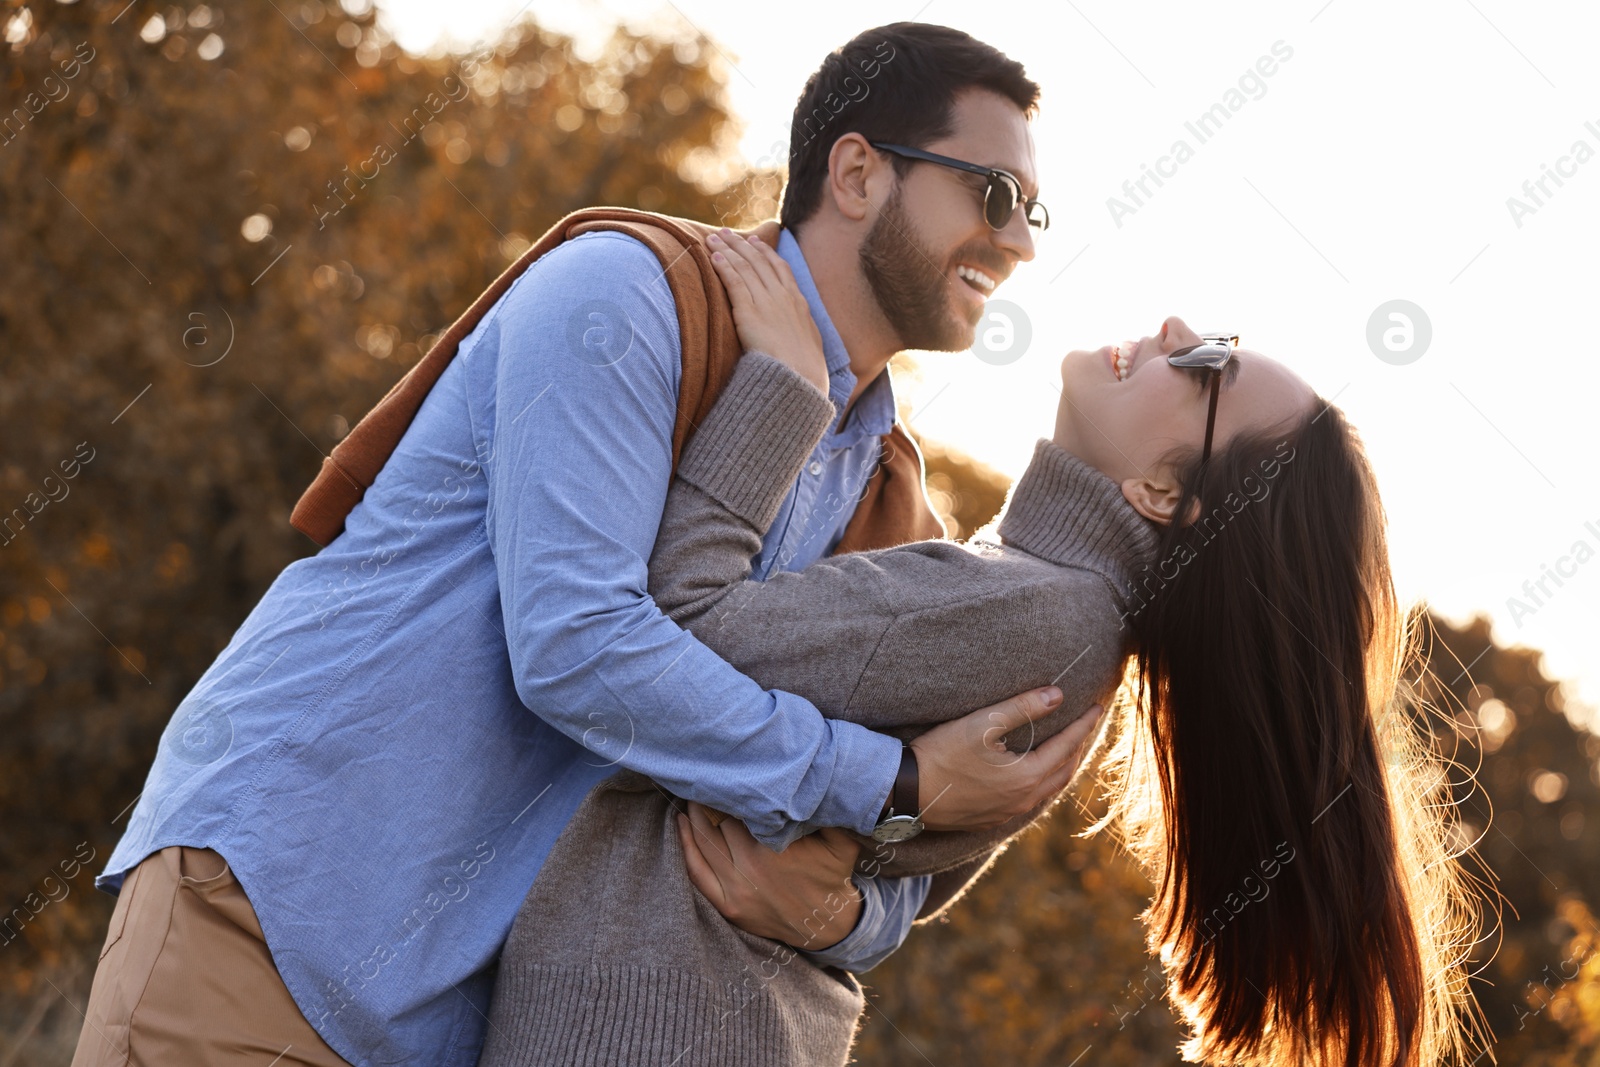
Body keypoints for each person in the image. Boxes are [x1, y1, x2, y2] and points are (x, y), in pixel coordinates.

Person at [71, 22, 1077, 1067]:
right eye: (993, 194)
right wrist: (891, 783)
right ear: (859, 173)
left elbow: (879, 887)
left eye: (1032, 210)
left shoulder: (888, 501)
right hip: (280, 921)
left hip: (473, 1022)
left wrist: (836, 912)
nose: (1019, 242)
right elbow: (576, 643)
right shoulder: (626, 297)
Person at [479, 231, 1487, 1067]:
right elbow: (902, 882)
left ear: (1164, 497)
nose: (1181, 330)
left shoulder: (1038, 614)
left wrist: (782, 389)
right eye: (1219, 335)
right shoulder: (1052, 615)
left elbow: (670, 630)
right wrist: (853, 901)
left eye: (1207, 368)